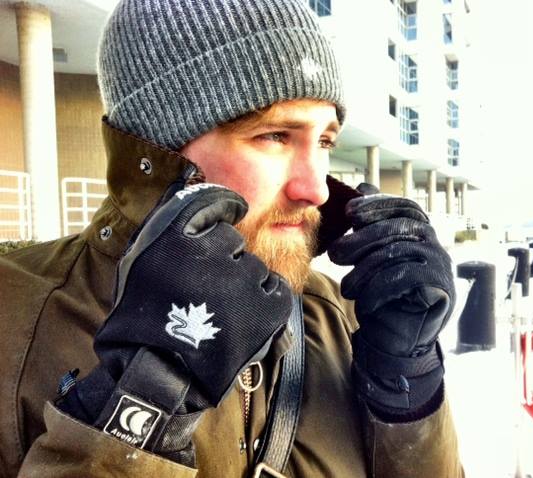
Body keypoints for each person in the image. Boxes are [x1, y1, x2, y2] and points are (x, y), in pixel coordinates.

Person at [0, 0, 464, 476]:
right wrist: (142, 404)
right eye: (275, 136)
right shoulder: (14, 319)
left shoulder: (337, 313)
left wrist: (407, 387)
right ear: (158, 147)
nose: (317, 189)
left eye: (325, 141)